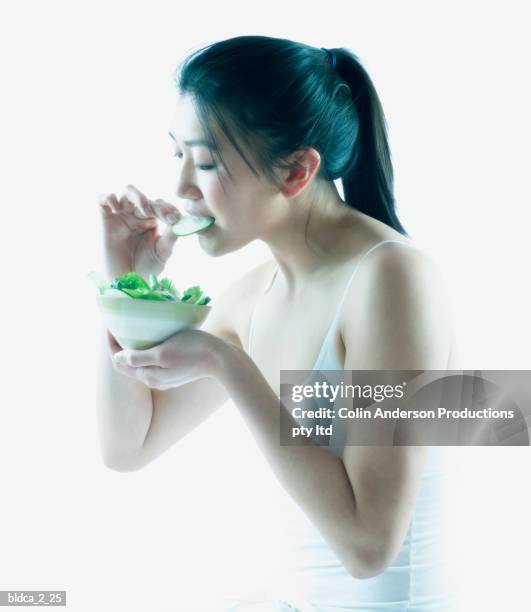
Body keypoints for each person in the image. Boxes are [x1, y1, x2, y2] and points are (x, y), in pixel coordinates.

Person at [96, 36, 457, 611]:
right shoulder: (253, 296)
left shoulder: (389, 279)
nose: (183, 188)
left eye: (207, 161)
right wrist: (126, 285)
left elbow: (369, 547)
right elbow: (128, 446)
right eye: (178, 155)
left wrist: (229, 365)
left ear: (296, 170)